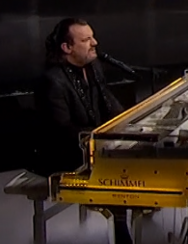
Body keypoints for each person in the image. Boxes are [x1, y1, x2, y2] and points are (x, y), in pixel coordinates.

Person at [32, 18, 133, 244]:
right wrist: (105, 138)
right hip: (61, 153)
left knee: (132, 156)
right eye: (86, 40)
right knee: (118, 171)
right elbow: (62, 132)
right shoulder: (52, 81)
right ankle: (122, 233)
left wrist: (131, 122)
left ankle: (136, 211)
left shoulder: (92, 66)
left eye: (92, 37)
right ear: (67, 48)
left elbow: (109, 103)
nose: (94, 43)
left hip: (92, 144)